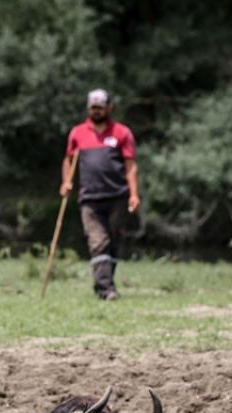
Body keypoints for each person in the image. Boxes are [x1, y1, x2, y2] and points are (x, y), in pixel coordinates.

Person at [61, 88, 140, 301]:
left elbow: (130, 166)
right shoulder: (78, 133)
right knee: (98, 242)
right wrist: (66, 182)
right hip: (90, 198)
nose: (96, 111)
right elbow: (68, 160)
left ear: (109, 107)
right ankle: (106, 289)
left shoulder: (122, 133)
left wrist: (134, 194)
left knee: (113, 242)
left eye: (100, 107)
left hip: (118, 196)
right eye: (93, 107)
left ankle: (104, 285)